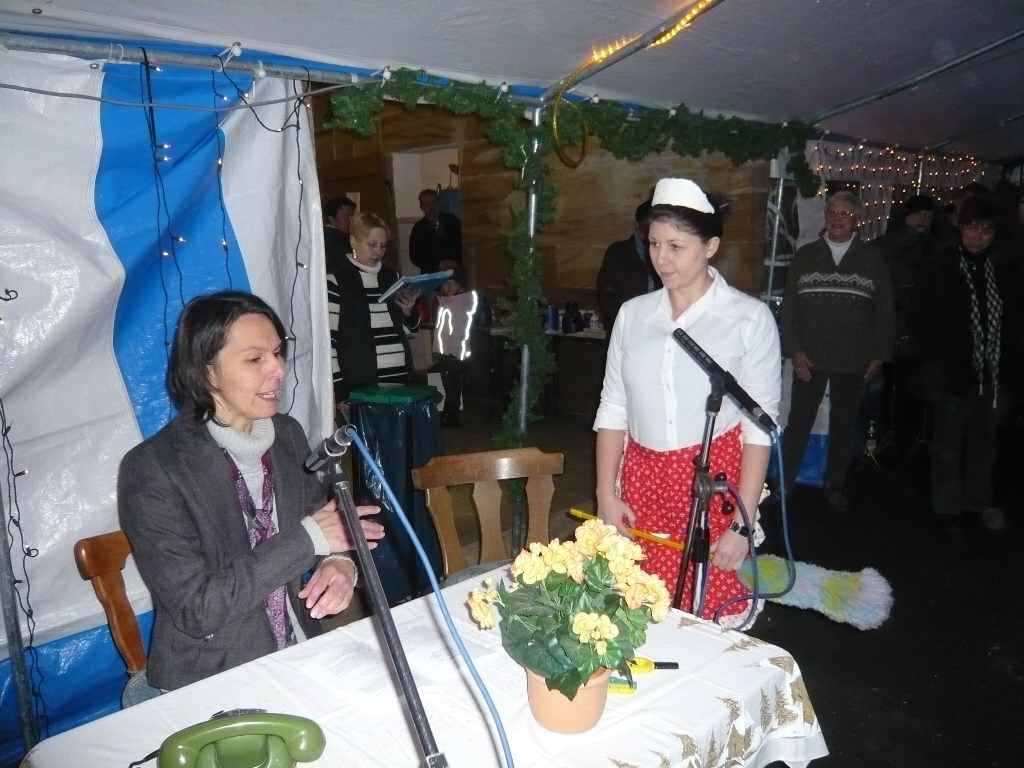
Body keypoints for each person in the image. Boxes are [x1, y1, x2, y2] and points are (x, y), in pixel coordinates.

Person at [118, 292, 386, 693]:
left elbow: (324, 524)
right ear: (207, 372)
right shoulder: (154, 469)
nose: (279, 369)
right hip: (211, 676)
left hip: (298, 651)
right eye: (255, 359)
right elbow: (197, 610)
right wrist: (309, 539)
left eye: (277, 353)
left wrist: (339, 563)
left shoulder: (286, 434)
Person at [594, 178, 781, 627]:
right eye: (654, 243)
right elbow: (613, 407)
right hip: (641, 484)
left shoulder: (748, 319)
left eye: (676, 246)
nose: (661, 259)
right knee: (632, 614)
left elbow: (759, 430)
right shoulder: (633, 315)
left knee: (706, 619)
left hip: (711, 488)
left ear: (711, 246)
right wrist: (605, 493)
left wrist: (741, 523)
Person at [911, 196, 1022, 531]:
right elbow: (922, 318)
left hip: (994, 373)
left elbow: (1014, 321)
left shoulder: (1004, 269)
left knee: (985, 443)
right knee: (947, 443)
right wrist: (936, 362)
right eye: (973, 228)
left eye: (986, 230)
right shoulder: (941, 266)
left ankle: (978, 502)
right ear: (961, 228)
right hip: (953, 372)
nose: (978, 236)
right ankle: (947, 508)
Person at [779, 191, 894, 512]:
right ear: (825, 217)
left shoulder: (871, 259)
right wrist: (795, 350)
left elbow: (885, 310)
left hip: (854, 358)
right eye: (833, 213)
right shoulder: (806, 256)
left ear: (856, 221)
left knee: (844, 425)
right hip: (809, 358)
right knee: (798, 421)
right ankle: (784, 483)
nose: (838, 219)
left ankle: (835, 485)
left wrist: (879, 353)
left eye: (845, 214)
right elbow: (790, 308)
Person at [328, 212, 421, 404]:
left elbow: (410, 332)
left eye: (383, 245)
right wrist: (339, 389)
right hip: (360, 380)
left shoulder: (392, 277)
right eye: (371, 244)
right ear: (353, 241)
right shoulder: (336, 280)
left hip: (399, 374)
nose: (378, 252)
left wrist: (408, 312)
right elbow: (329, 342)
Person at [596, 200, 663, 332]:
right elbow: (606, 294)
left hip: (659, 327)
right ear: (636, 225)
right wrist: (618, 326)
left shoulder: (664, 254)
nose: (650, 234)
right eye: (647, 228)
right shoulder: (617, 253)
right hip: (625, 327)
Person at [432, 267, 476, 428]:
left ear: (460, 285)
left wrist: (451, 352)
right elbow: (442, 330)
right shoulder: (446, 302)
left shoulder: (456, 304)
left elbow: (457, 331)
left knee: (451, 386)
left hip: (451, 352)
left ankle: (451, 416)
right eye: (445, 283)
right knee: (450, 385)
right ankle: (450, 413)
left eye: (453, 282)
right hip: (446, 351)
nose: (449, 286)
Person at [408, 189, 463, 274]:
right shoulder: (419, 228)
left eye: (434, 202)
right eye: (427, 204)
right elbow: (415, 257)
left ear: (439, 202)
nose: (432, 207)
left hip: (457, 273)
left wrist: (457, 263)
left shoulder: (453, 221)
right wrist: (438, 264)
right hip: (431, 275)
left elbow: (465, 246)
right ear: (422, 207)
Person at [323, 197, 357, 277]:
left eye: (352, 216)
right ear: (331, 219)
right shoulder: (334, 239)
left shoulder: (323, 235)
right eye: (346, 216)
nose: (351, 220)